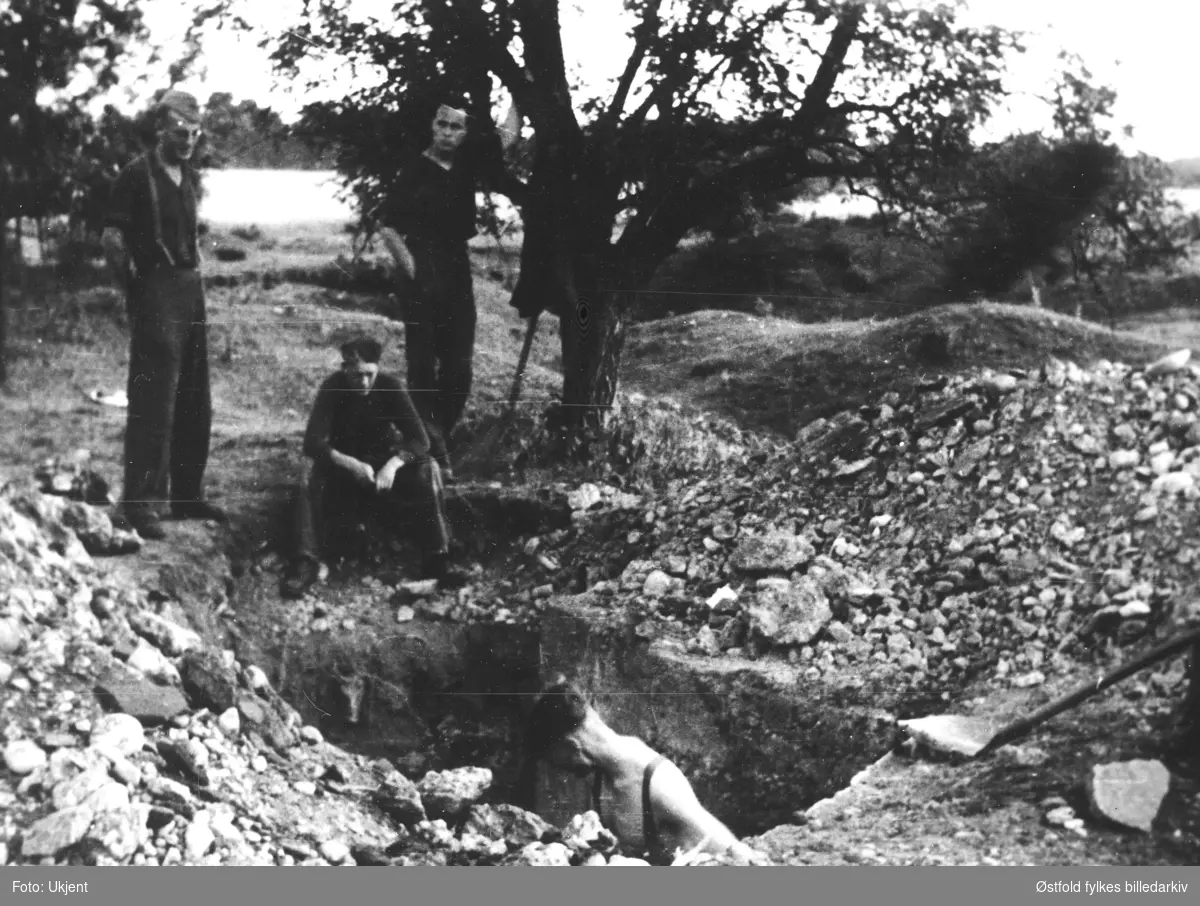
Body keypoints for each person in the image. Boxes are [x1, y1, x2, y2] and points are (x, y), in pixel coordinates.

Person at [101, 89, 228, 541]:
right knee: (155, 400)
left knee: (195, 394)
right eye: (180, 132)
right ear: (161, 130)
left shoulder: (187, 173)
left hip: (190, 288)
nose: (188, 140)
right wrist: (135, 291)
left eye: (195, 133)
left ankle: (186, 494)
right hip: (156, 289)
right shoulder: (138, 174)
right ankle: (139, 503)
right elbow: (113, 239)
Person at [377, 94, 524, 477]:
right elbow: (388, 226)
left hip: (455, 264)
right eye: (441, 124)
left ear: (464, 133)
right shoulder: (414, 170)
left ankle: (436, 435)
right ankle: (431, 447)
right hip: (420, 265)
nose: (446, 132)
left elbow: (507, 137)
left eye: (455, 127)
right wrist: (412, 269)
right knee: (423, 363)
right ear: (432, 126)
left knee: (459, 366)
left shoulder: (465, 164)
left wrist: (517, 95)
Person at [281, 336, 470, 599]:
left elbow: (421, 440)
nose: (364, 382)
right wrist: (351, 464)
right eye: (357, 375)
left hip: (382, 465)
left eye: (370, 374)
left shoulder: (390, 386)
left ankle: (437, 556)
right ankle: (306, 561)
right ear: (345, 367)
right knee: (306, 470)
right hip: (343, 466)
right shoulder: (332, 387)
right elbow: (312, 443)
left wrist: (392, 465)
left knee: (430, 468)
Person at [519, 678, 770, 865]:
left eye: (557, 761)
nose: (564, 771)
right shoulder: (600, 776)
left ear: (572, 746)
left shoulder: (659, 784)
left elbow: (736, 854)